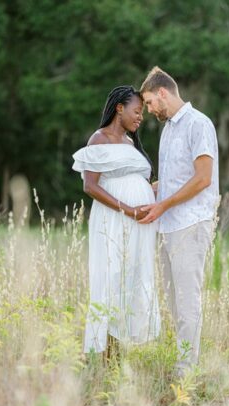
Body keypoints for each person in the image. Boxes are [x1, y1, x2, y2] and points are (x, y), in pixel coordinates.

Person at [137, 67, 220, 376]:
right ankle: (183, 360)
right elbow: (173, 181)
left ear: (162, 93)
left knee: (187, 300)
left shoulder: (199, 124)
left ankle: (186, 371)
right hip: (168, 225)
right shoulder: (169, 128)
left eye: (148, 102)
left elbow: (202, 179)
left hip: (191, 224)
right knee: (174, 302)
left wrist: (163, 205)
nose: (147, 110)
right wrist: (141, 188)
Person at [73, 85, 161, 358]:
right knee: (112, 277)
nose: (140, 118)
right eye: (137, 111)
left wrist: (156, 192)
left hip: (137, 223)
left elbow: (136, 182)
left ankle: (119, 350)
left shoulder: (130, 143)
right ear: (119, 108)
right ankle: (104, 354)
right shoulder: (99, 139)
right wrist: (127, 209)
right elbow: (90, 186)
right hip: (114, 219)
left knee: (130, 278)